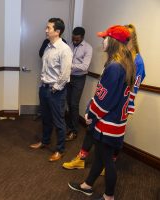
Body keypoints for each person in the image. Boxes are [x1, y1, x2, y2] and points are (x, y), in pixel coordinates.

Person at [62, 24, 146, 170]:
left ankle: (107, 166)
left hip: (118, 108)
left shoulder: (136, 61)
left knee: (112, 140)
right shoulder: (117, 58)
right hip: (105, 102)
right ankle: (82, 158)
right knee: (92, 129)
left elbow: (132, 89)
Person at [68, 25, 135, 200]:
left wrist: (91, 114)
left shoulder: (114, 67)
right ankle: (87, 185)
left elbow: (105, 100)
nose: (102, 41)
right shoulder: (126, 63)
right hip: (115, 123)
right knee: (100, 156)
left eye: (105, 38)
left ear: (113, 42)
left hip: (108, 123)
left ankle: (109, 196)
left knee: (107, 161)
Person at [30, 18, 72, 162]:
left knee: (59, 121)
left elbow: (65, 74)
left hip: (56, 92)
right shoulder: (48, 46)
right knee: (46, 119)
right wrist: (43, 84)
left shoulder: (65, 49)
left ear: (57, 31)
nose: (46, 30)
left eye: (49, 28)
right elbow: (45, 69)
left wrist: (55, 88)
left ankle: (60, 150)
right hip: (44, 88)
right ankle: (45, 141)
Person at [66, 27, 93, 141]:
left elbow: (85, 66)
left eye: (77, 40)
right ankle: (70, 126)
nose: (75, 42)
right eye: (73, 39)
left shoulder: (88, 48)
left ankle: (74, 131)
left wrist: (70, 66)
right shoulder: (70, 45)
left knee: (74, 104)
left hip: (79, 78)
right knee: (68, 102)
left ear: (82, 37)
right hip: (68, 77)